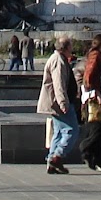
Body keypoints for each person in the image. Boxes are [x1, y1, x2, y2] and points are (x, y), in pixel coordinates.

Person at [38, 35, 79, 174]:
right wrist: (63, 103)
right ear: (65, 48)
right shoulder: (58, 61)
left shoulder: (58, 59)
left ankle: (52, 161)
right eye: (71, 45)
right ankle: (57, 156)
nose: (72, 48)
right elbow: (59, 84)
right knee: (71, 130)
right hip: (59, 103)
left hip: (56, 102)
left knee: (59, 132)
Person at [78, 32, 101, 171]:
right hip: (93, 99)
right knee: (99, 128)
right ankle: (86, 149)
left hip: (94, 96)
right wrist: (97, 93)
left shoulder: (97, 55)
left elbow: (95, 76)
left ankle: (97, 158)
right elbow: (89, 76)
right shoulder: (95, 56)